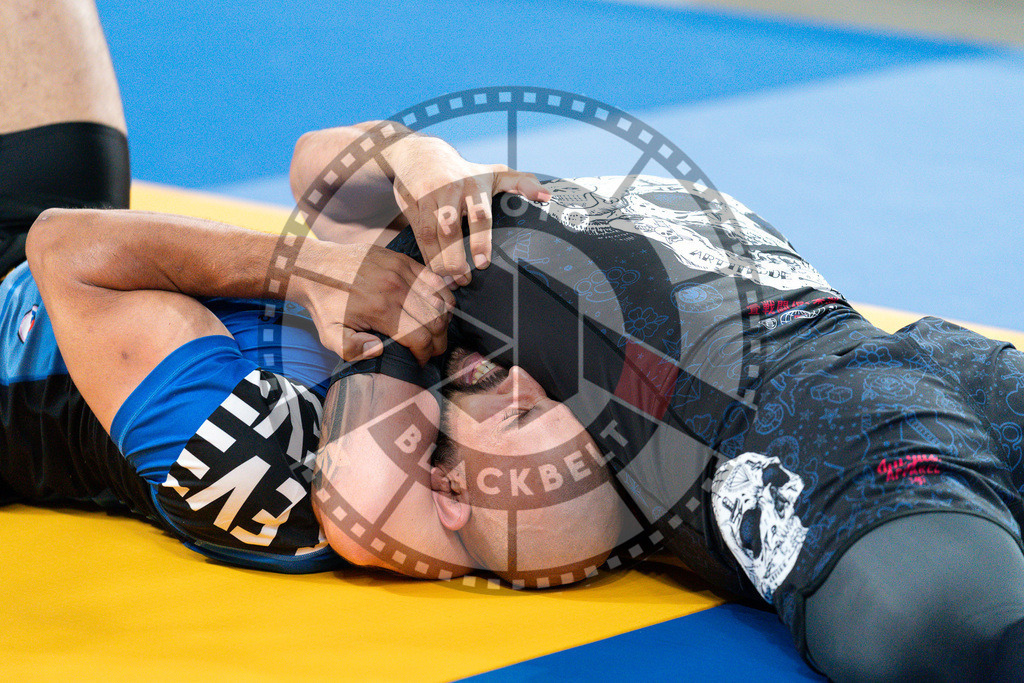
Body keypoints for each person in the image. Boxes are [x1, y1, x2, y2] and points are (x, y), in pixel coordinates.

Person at [314, 173, 1024, 681]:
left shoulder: (461, 239)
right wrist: (384, 331)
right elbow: (331, 166)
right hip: (877, 379)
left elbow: (326, 168)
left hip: (840, 391)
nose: (520, 380)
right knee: (966, 636)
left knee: (962, 636)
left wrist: (422, 177)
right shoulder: (535, 240)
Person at [1, 0, 548, 572]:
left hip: (45, 303)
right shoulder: (440, 358)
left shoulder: (266, 468)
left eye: (520, 415)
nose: (524, 379)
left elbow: (63, 249)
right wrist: (422, 158)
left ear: (448, 489)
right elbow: (313, 166)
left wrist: (306, 271)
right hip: (88, 245)